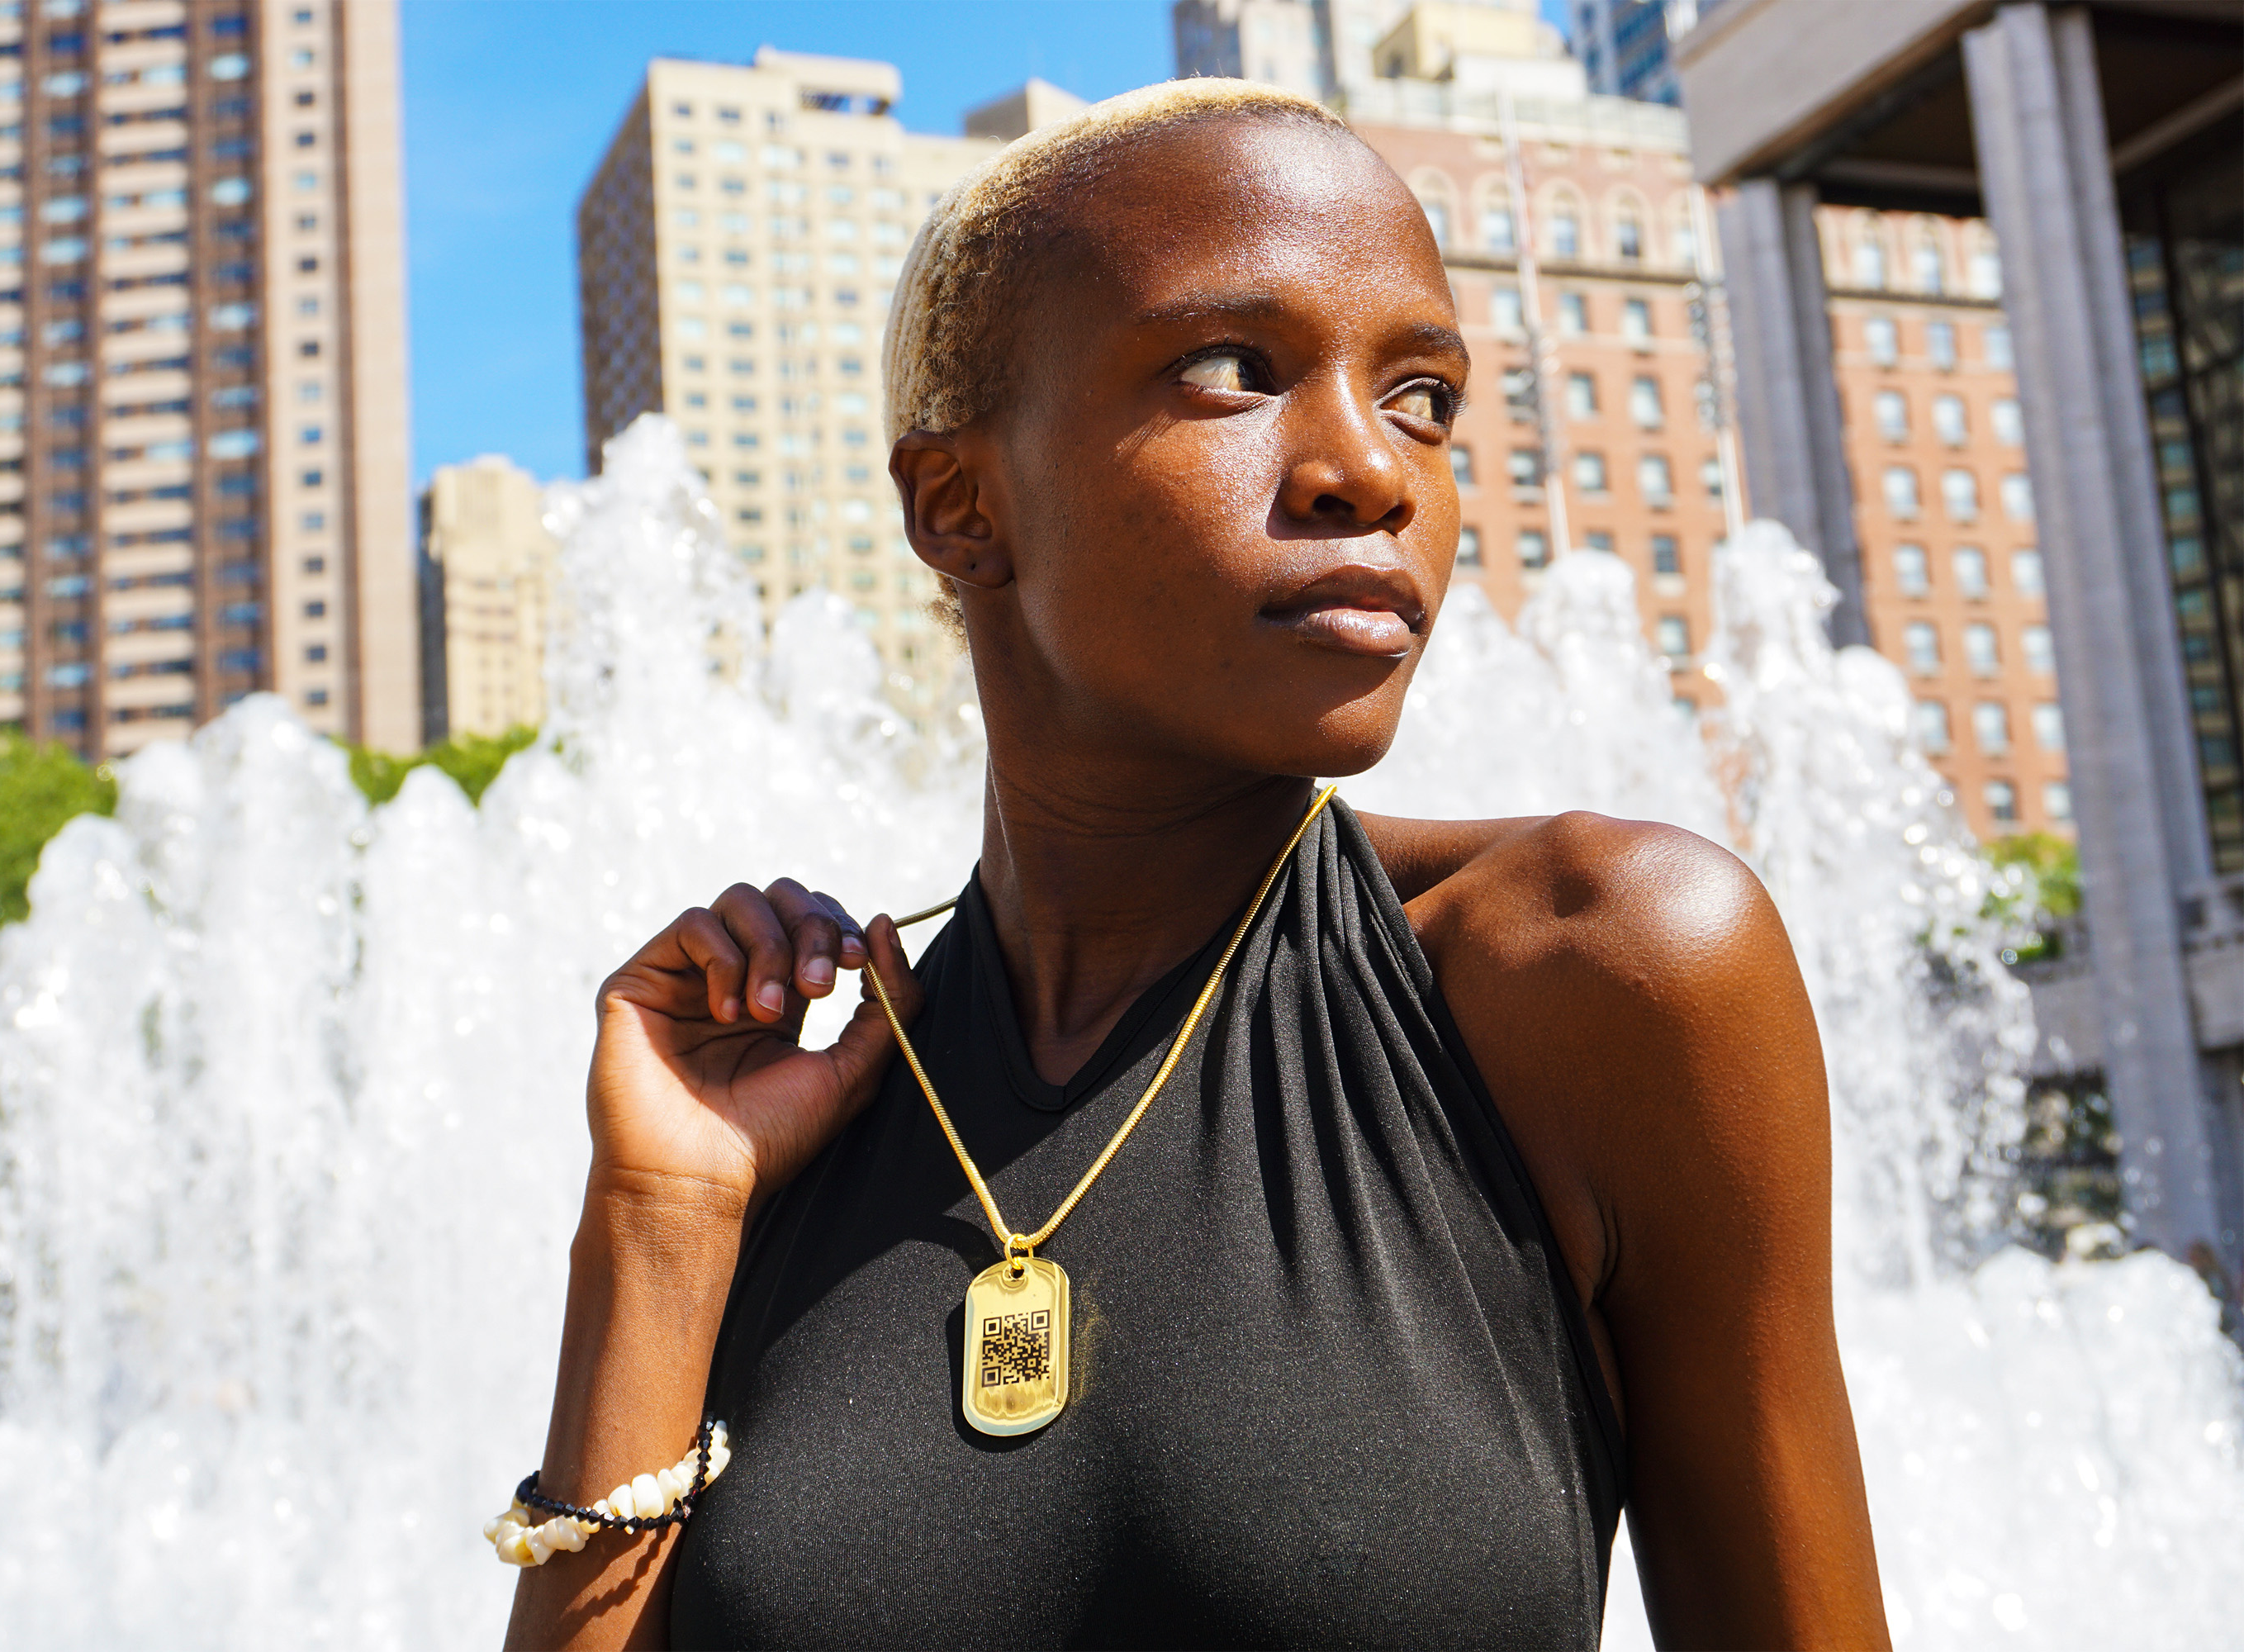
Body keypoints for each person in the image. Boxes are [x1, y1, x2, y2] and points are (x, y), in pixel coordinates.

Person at [505, 79, 1886, 1650]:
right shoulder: (788, 1118)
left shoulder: (1603, 968)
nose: (1373, 472)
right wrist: (658, 1218)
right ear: (962, 504)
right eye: (1239, 370)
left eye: (1424, 394)